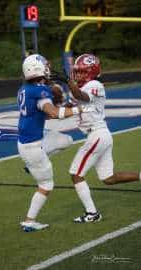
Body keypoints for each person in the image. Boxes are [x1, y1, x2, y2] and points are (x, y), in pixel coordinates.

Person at [67, 53, 141, 223]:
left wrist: (70, 86)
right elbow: (67, 107)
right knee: (108, 178)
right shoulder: (80, 87)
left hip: (97, 135)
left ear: (91, 72)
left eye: (81, 72)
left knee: (75, 174)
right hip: (100, 135)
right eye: (76, 72)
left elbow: (82, 97)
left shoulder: (95, 84)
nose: (78, 75)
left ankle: (92, 213)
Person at [17, 54, 82, 232]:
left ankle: (32, 166)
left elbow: (43, 113)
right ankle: (30, 221)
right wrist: (78, 109)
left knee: (66, 139)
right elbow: (52, 113)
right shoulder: (40, 91)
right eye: (45, 65)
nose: (48, 67)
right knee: (46, 185)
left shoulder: (25, 89)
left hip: (29, 141)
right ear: (36, 69)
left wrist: (65, 109)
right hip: (33, 146)